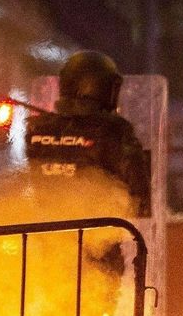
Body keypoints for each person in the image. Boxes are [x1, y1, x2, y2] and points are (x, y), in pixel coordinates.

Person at [26, 50, 150, 217]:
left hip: (43, 236)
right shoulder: (115, 130)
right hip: (97, 237)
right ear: (105, 88)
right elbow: (139, 199)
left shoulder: (38, 128)